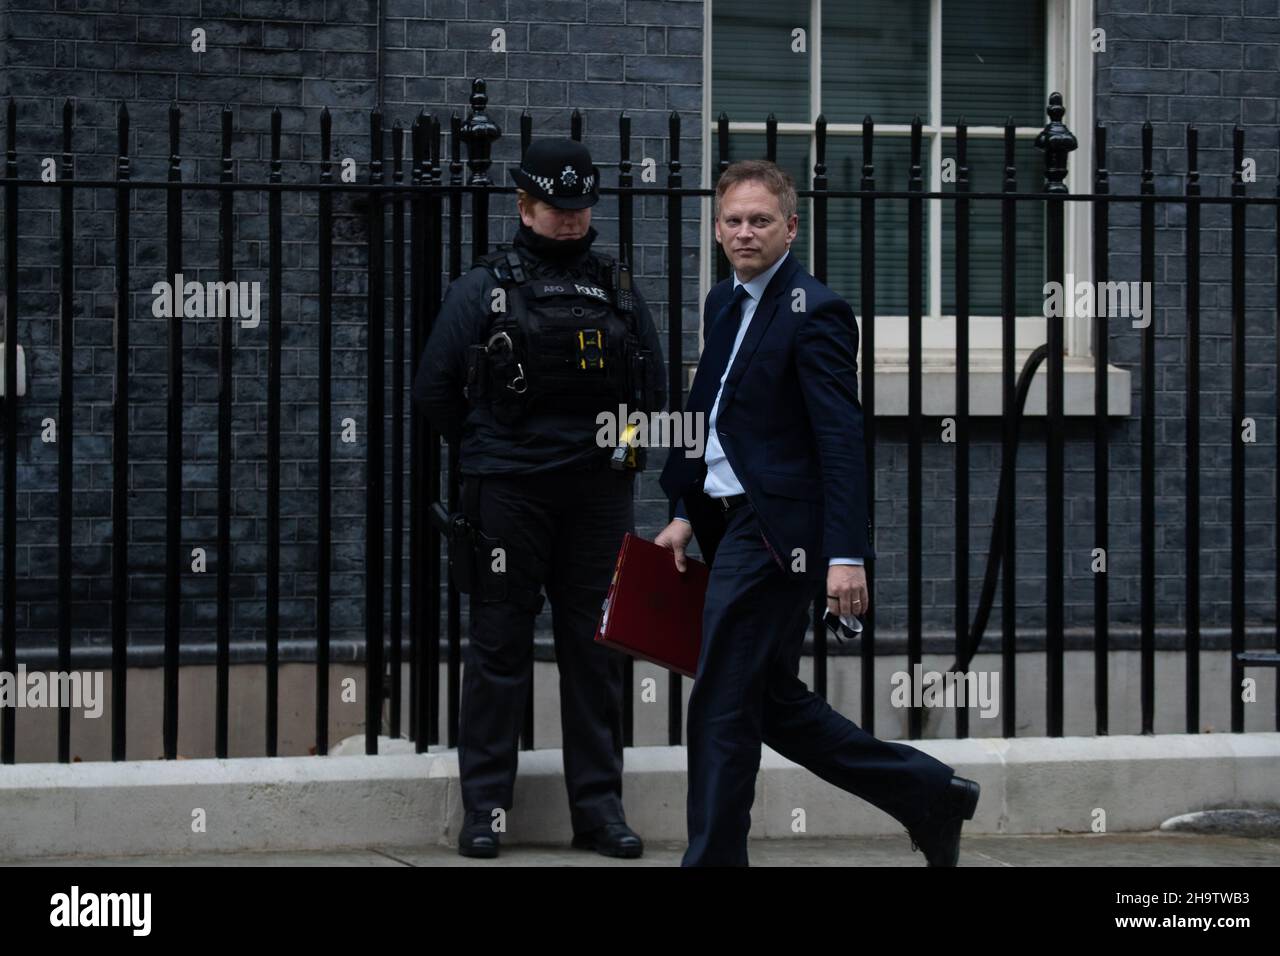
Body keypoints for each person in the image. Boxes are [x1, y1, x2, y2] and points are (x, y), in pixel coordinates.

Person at [654, 159, 980, 867]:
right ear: (717, 229)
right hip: (725, 520)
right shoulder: (723, 301)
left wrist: (845, 554)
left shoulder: (817, 310)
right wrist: (683, 506)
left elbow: (840, 440)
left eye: (761, 220)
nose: (746, 232)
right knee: (767, 702)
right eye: (734, 220)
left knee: (719, 702)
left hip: (776, 537)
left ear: (791, 227)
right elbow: (707, 414)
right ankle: (928, 792)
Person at [414, 138, 667, 860]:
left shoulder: (615, 284)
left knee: (598, 653)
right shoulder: (484, 287)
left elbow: (650, 389)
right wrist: (493, 449)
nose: (570, 219)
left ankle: (599, 813)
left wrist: (614, 455)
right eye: (556, 208)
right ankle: (485, 811)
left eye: (580, 208)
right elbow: (432, 390)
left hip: (596, 498)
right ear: (525, 206)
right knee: (499, 649)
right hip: (511, 496)